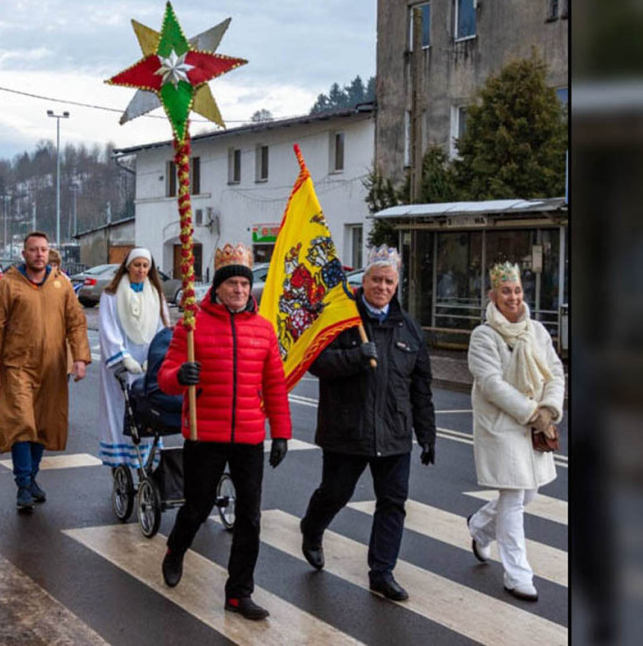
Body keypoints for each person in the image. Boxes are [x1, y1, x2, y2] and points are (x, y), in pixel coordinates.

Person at [157, 243, 291, 621]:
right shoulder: (192, 326)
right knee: (198, 507)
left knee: (250, 518)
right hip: (206, 434)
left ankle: (238, 593)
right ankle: (176, 549)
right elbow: (164, 378)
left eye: (244, 285)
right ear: (217, 287)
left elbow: (274, 385)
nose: (239, 290)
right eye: (231, 283)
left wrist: (280, 432)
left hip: (249, 436)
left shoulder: (263, 330)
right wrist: (180, 376)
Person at [299, 245, 436, 602]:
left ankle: (382, 572)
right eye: (376, 279)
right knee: (336, 493)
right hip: (347, 429)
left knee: (393, 502)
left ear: (396, 284)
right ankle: (312, 529)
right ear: (365, 281)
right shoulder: (342, 319)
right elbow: (317, 362)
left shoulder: (409, 329)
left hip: (394, 432)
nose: (383, 286)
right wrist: (354, 358)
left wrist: (428, 434)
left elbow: (421, 388)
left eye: (389, 281)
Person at [466, 261, 565, 602]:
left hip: (535, 424)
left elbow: (554, 371)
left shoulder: (535, 331)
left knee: (529, 494)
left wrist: (549, 409)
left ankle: (479, 527)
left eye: (517, 290)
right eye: (505, 291)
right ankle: (518, 574)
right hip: (502, 426)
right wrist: (531, 412)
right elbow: (491, 384)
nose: (512, 297)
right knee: (512, 497)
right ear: (493, 295)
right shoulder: (483, 335)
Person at [0, 231, 91, 513]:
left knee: (43, 424)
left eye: (43, 250)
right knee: (22, 422)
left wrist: (80, 358)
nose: (39, 254)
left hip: (53, 366)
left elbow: (76, 322)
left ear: (49, 252)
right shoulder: (8, 285)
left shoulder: (61, 284)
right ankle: (23, 484)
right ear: (24, 253)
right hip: (17, 366)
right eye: (33, 250)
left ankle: (31, 477)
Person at [97, 248, 170, 472]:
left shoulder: (156, 295)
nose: (141, 270)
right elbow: (108, 329)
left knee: (148, 409)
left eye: (145, 266)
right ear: (128, 266)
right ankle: (120, 461)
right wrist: (123, 358)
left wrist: (155, 358)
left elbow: (161, 329)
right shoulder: (111, 295)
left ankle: (146, 460)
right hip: (121, 365)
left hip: (148, 363)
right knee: (122, 408)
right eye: (137, 265)